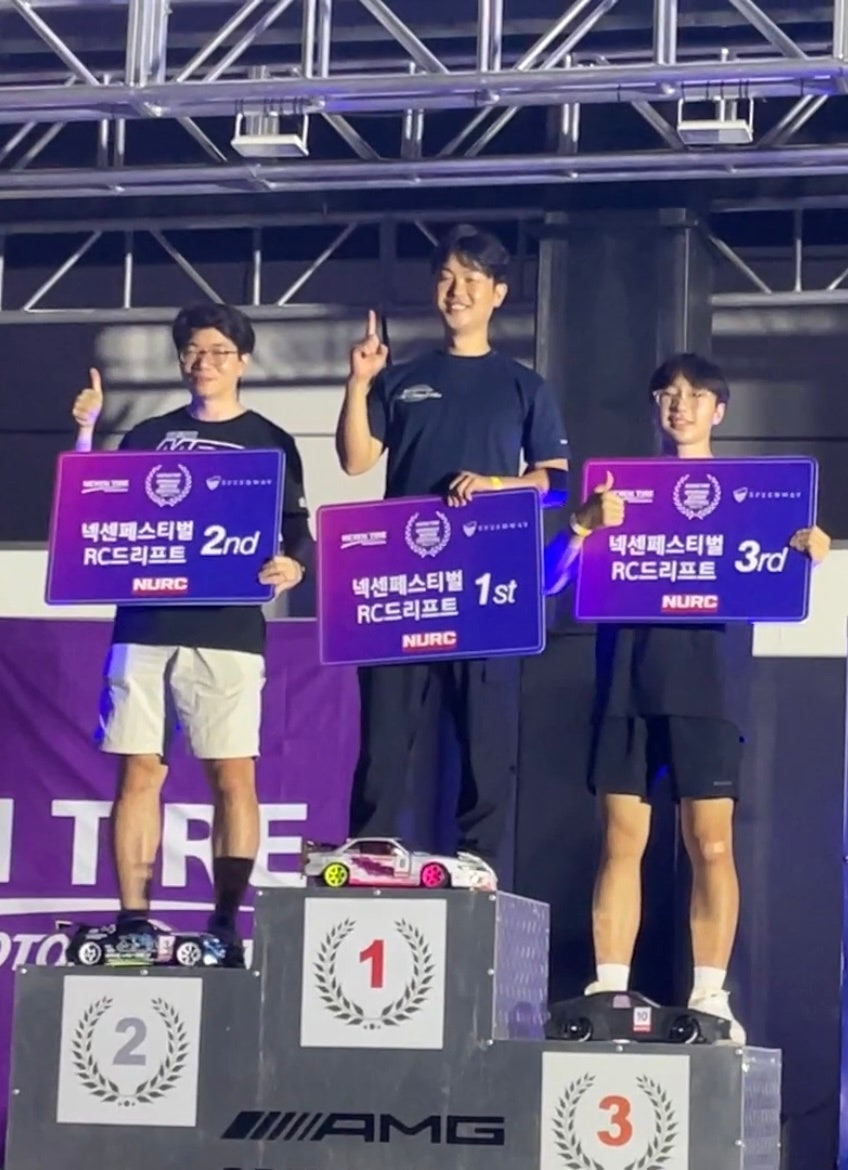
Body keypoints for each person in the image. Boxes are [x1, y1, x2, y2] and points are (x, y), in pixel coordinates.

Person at [557, 353, 830, 1041]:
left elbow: (785, 574)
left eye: (696, 394)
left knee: (710, 843)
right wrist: (581, 526)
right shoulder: (614, 491)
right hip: (627, 680)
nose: (679, 404)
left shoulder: (754, 499)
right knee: (621, 839)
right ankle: (609, 989)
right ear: (655, 407)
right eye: (667, 394)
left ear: (719, 410)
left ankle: (710, 995)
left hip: (708, 682)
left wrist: (814, 550)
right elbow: (554, 579)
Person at [70, 302, 312, 964]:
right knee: (138, 771)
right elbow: (92, 507)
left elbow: (298, 531)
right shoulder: (148, 435)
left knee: (232, 775)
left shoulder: (269, 439)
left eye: (218, 352)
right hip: (145, 623)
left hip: (227, 629)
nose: (205, 363)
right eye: (193, 352)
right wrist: (86, 432)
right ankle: (132, 921)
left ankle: (225, 923)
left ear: (243, 361)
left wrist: (293, 565)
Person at [335, 224, 569, 868]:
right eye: (445, 278)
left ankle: (477, 859)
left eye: (471, 279)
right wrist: (359, 383)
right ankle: (370, 849)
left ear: (498, 293)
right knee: (385, 734)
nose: (456, 290)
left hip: (485, 581)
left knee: (486, 735)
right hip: (403, 580)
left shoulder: (524, 386)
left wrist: (495, 484)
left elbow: (554, 484)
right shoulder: (403, 378)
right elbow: (355, 460)